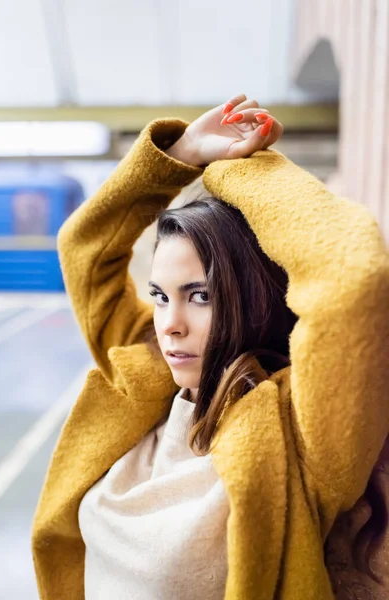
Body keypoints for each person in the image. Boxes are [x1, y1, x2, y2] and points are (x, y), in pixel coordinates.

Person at [32, 94, 389, 599]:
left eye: (200, 296)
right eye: (160, 296)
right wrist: (183, 154)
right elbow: (84, 249)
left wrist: (236, 168)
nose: (169, 325)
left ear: (256, 299)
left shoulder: (302, 435)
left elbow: (353, 283)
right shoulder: (149, 376)